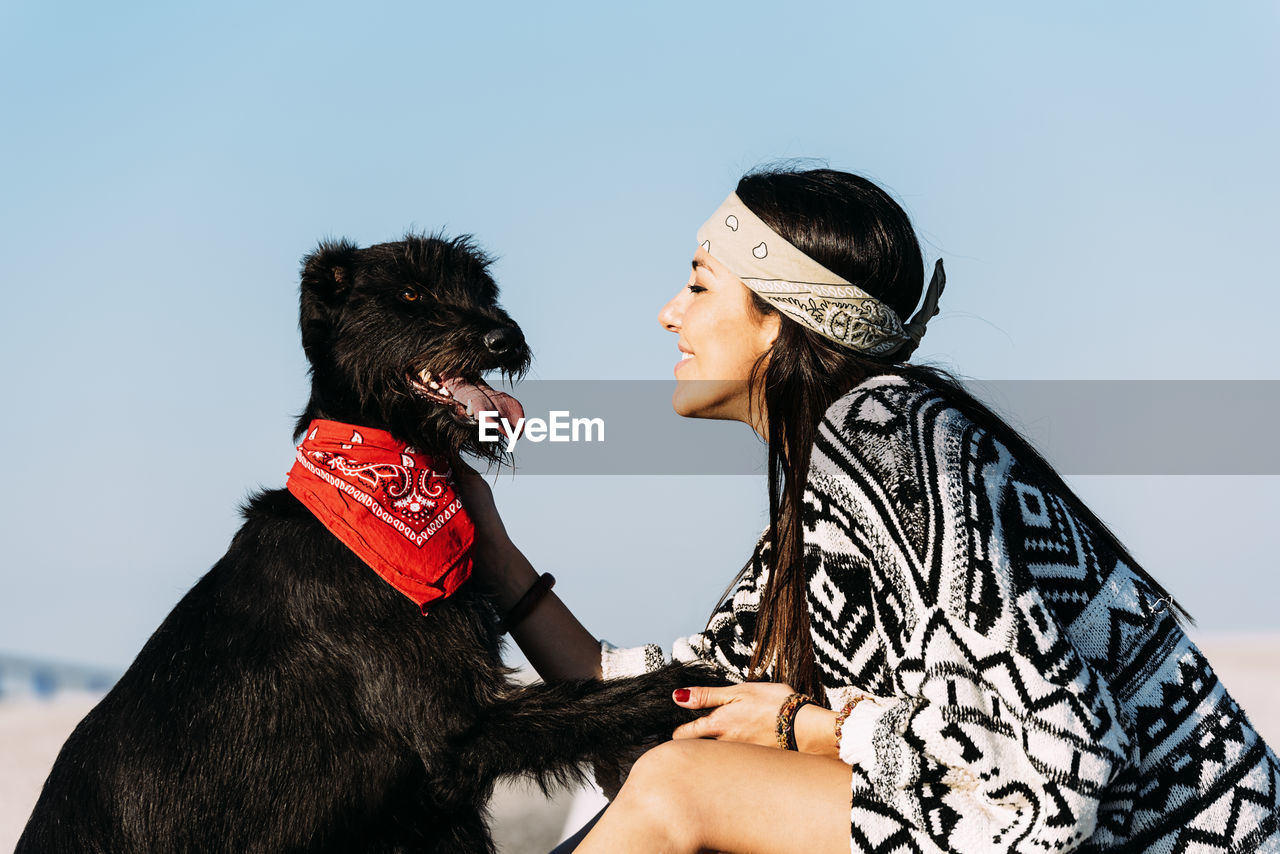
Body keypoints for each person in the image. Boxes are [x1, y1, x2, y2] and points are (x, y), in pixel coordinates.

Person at [457, 168, 1280, 853]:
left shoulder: (889, 441)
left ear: (781, 316)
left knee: (681, 788)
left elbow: (1051, 777)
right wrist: (492, 552)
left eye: (700, 284)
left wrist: (810, 728)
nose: (670, 313)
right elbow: (671, 705)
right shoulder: (840, 477)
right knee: (680, 769)